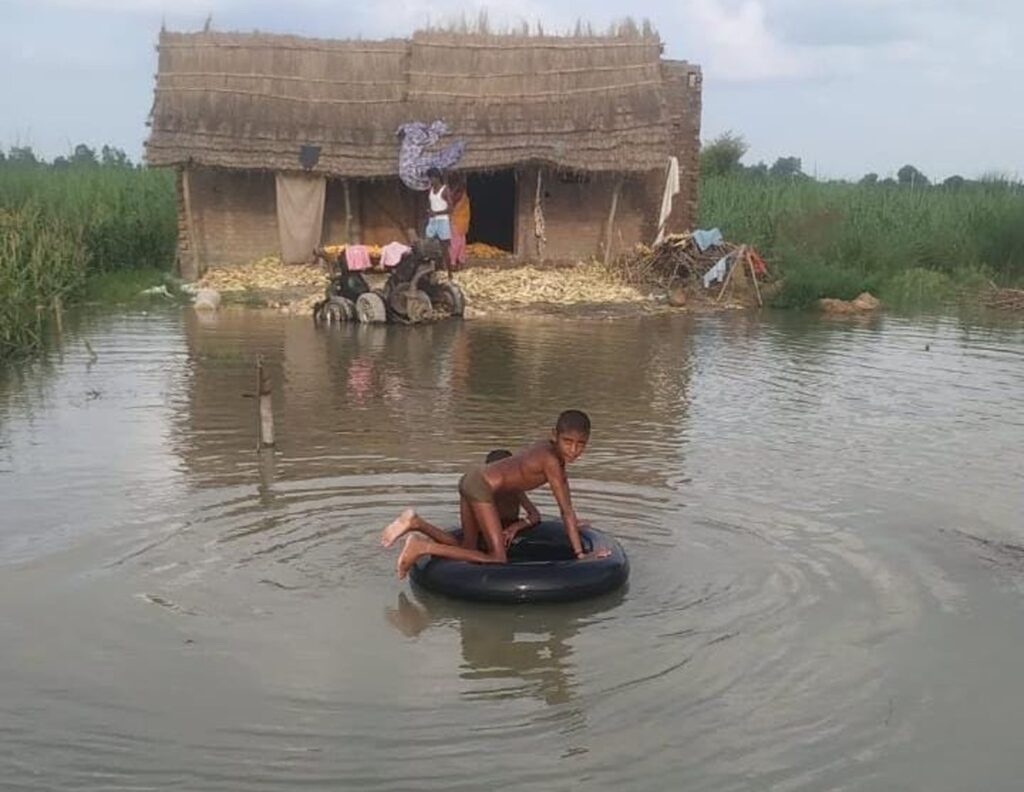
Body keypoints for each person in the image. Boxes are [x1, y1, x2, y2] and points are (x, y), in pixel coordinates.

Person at [380, 410, 608, 579]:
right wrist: (580, 555)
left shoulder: (545, 450)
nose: (573, 450)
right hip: (481, 487)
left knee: (469, 547)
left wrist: (572, 523)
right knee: (498, 558)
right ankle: (422, 547)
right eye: (568, 442)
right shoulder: (551, 462)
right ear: (554, 435)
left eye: (581, 444)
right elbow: (566, 509)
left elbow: (564, 510)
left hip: (471, 479)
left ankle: (416, 523)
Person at [485, 449, 541, 547]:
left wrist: (516, 526)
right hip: (489, 528)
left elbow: (535, 515)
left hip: (511, 523)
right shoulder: (484, 490)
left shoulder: (516, 488)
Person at [423, 167, 453, 278]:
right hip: (433, 221)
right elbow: (431, 204)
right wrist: (430, 212)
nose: (430, 180)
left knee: (445, 249)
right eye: (429, 178)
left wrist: (436, 213)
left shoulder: (445, 190)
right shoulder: (430, 190)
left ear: (437, 178)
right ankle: (429, 272)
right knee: (428, 246)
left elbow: (450, 209)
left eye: (432, 178)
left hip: (443, 221)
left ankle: (450, 274)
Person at [447, 172, 471, 271]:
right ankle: (461, 262)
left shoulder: (458, 194)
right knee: (461, 242)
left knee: (455, 243)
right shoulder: (463, 194)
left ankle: (453, 263)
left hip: (456, 221)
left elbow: (451, 204)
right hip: (462, 222)